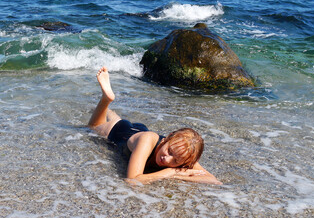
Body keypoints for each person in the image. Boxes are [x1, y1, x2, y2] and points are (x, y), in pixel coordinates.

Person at [88, 67, 222, 185]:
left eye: (175, 161)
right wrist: (169, 173)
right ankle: (106, 100)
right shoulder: (149, 141)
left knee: (117, 119)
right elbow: (132, 180)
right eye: (169, 151)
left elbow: (213, 180)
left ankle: (111, 112)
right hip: (120, 132)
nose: (167, 159)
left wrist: (179, 174)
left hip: (138, 132)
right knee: (93, 127)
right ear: (167, 138)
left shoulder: (183, 153)